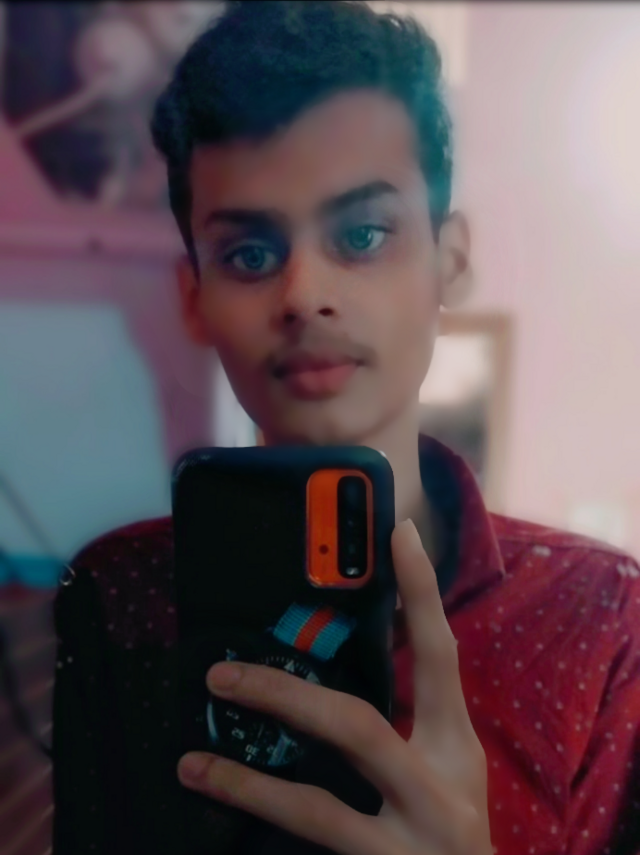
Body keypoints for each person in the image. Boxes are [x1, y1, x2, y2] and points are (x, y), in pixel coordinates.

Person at [51, 2, 640, 854]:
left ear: (449, 262)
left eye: (362, 233)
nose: (303, 294)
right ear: (194, 296)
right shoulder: (120, 595)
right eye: (250, 254)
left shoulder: (599, 614)